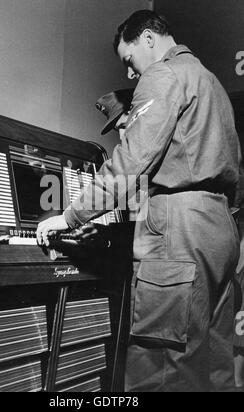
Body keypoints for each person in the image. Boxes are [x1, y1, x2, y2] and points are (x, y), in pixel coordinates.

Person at [37, 10, 240, 392]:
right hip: (220, 229)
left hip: (179, 228)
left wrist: (70, 216)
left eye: (129, 60)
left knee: (161, 368)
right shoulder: (209, 82)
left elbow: (133, 160)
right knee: (212, 368)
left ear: (148, 39)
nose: (131, 74)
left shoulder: (162, 74)